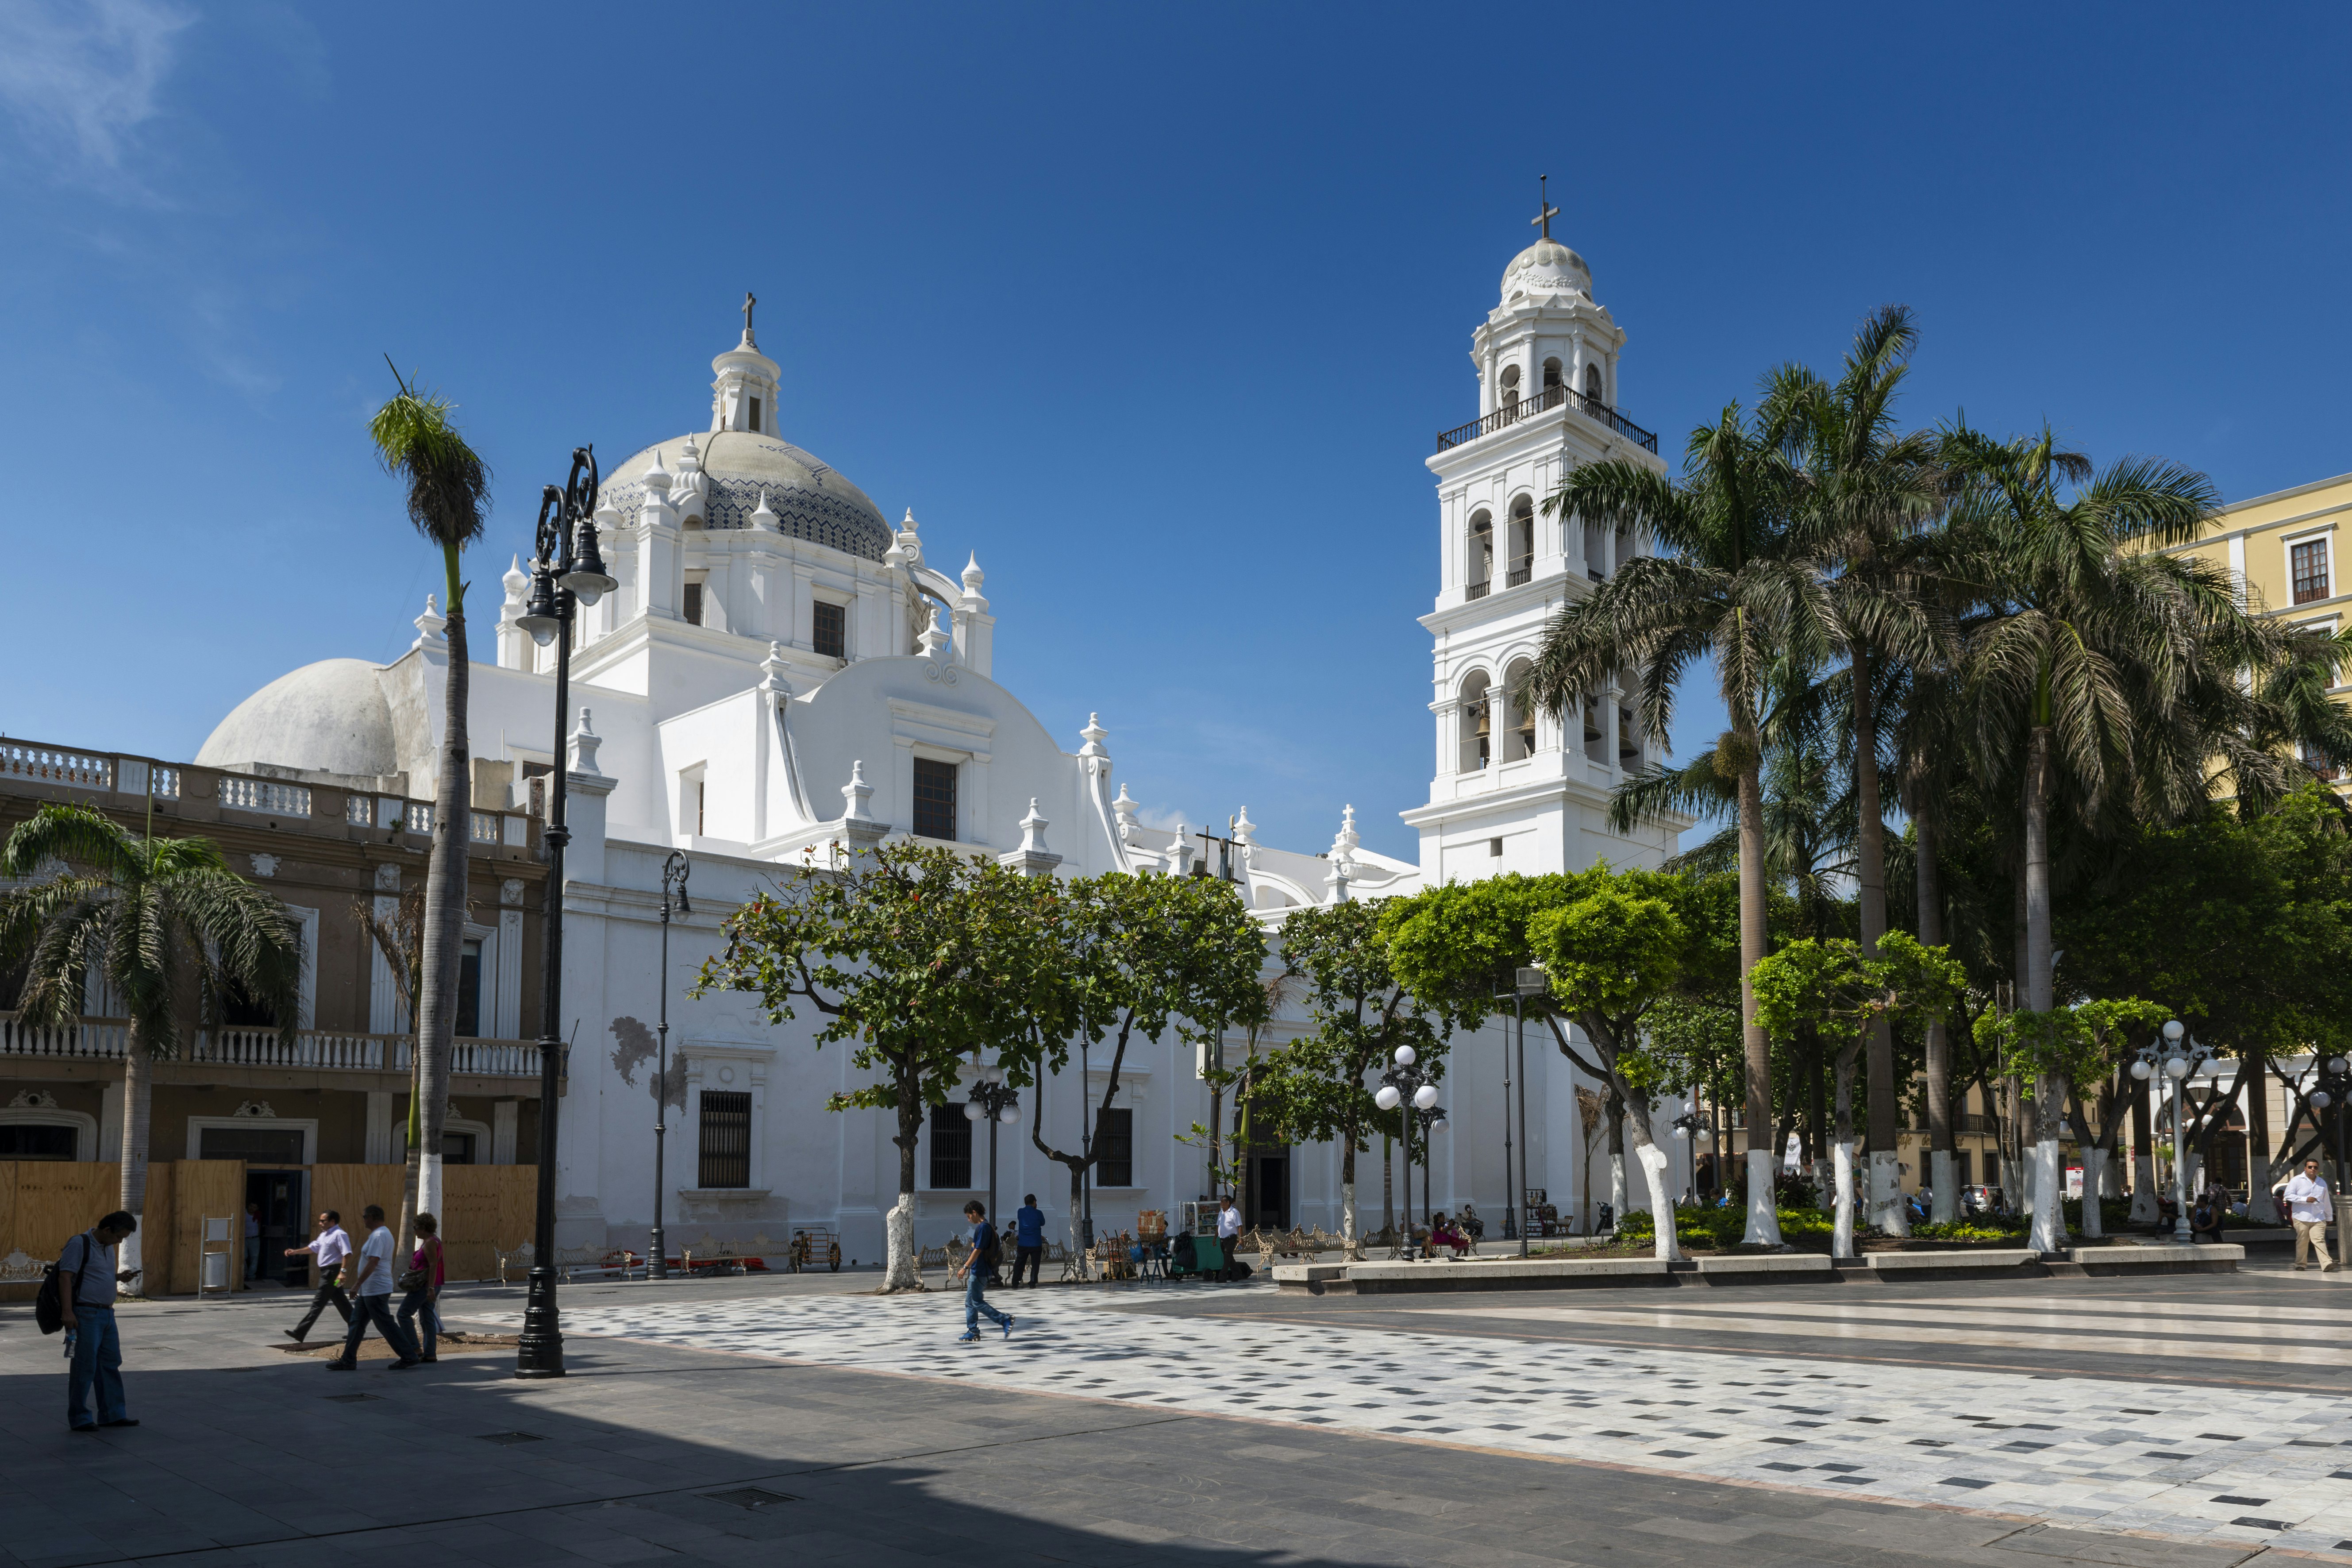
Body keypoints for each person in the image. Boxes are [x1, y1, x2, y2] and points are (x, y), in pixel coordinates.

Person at [60, 1210, 140, 1431]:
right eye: (119, 1237)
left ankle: (113, 1414)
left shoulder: (107, 1247)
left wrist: (118, 1278)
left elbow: (95, 1274)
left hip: (107, 1314)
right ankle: (80, 1418)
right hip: (85, 1314)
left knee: (110, 1364)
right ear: (107, 1230)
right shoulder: (79, 1243)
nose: (120, 1242)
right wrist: (68, 1313)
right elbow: (66, 1276)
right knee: (84, 1367)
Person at [327, 1204, 420, 1369]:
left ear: (371, 1217)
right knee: (357, 1323)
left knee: (385, 1324)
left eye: (364, 1217)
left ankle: (409, 1355)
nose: (363, 1220)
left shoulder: (379, 1236)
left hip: (376, 1289)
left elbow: (373, 1262)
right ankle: (348, 1360)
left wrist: (357, 1284)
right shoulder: (380, 1234)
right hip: (369, 1290)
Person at [283, 1210, 352, 1343]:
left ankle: (300, 1332)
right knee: (341, 1302)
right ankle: (356, 1329)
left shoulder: (339, 1234)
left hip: (332, 1273)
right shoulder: (324, 1235)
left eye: (323, 1221)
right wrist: (295, 1252)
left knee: (318, 1303)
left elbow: (347, 1253)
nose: (320, 1223)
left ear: (332, 1222)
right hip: (327, 1272)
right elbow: (313, 1248)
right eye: (320, 1221)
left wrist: (342, 1271)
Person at [953, 1200, 1013, 1342]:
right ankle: (973, 1331)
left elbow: (978, 1250)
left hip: (980, 1271)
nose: (969, 1220)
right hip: (980, 1270)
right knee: (970, 1302)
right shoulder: (987, 1228)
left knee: (977, 1302)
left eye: (969, 1216)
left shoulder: (983, 1228)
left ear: (975, 1213)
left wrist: (965, 1267)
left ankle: (1004, 1320)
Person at [396, 1212, 445, 1363]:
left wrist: (430, 1288)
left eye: (416, 1227)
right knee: (427, 1318)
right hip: (432, 1285)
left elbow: (433, 1265)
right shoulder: (432, 1241)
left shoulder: (431, 1242)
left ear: (424, 1227)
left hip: (425, 1287)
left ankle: (415, 1348)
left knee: (403, 1314)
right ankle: (430, 1353)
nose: (414, 1230)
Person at [2284, 1158, 2335, 1271]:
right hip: (2301, 1217)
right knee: (2303, 1241)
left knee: (2319, 1240)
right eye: (2310, 1167)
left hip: (2319, 1217)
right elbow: (2288, 1195)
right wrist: (2305, 1199)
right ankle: (2300, 1264)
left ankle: (2327, 1263)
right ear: (2305, 1168)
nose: (2313, 1169)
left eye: (2315, 1167)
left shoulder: (2322, 1182)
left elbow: (2326, 1201)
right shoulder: (2297, 1180)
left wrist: (2329, 1216)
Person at [1012, 1194, 1045, 1289]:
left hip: (1023, 1243)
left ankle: (1015, 1281)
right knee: (1035, 1264)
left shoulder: (1020, 1212)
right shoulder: (1039, 1213)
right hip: (1036, 1243)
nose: (1037, 1204)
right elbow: (1043, 1223)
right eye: (1036, 1202)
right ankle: (1033, 1282)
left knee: (1020, 1263)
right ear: (1034, 1202)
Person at [1216, 1194, 1241, 1281]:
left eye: (1223, 1202)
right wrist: (1215, 1237)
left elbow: (1239, 1226)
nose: (1221, 1203)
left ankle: (1222, 1277)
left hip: (1231, 1238)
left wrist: (1241, 1238)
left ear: (1228, 1203)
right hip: (1222, 1239)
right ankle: (1237, 1273)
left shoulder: (1235, 1212)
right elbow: (1218, 1225)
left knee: (1227, 1257)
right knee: (1229, 1258)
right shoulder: (1221, 1213)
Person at [243, 1202, 262, 1282]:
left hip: (254, 1239)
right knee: (243, 1257)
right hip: (244, 1238)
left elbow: (259, 1224)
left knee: (254, 1257)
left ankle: (251, 1276)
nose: (252, 1208)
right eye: (251, 1206)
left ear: (257, 1208)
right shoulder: (244, 1213)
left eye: (254, 1207)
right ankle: (244, 1274)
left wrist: (258, 1234)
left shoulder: (258, 1215)